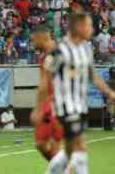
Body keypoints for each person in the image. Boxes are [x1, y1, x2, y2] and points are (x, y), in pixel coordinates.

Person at [43, 12, 115, 174]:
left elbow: (93, 77)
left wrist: (110, 93)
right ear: (79, 27)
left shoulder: (86, 49)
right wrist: (43, 105)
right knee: (79, 146)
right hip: (65, 106)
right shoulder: (59, 51)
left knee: (69, 150)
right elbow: (45, 76)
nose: (92, 29)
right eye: (89, 25)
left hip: (80, 105)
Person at [30, 25, 63, 162]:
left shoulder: (56, 53)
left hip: (58, 103)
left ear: (41, 37)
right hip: (49, 103)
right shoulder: (47, 55)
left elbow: (44, 82)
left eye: (33, 40)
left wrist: (37, 110)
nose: (32, 44)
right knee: (40, 143)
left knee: (54, 145)